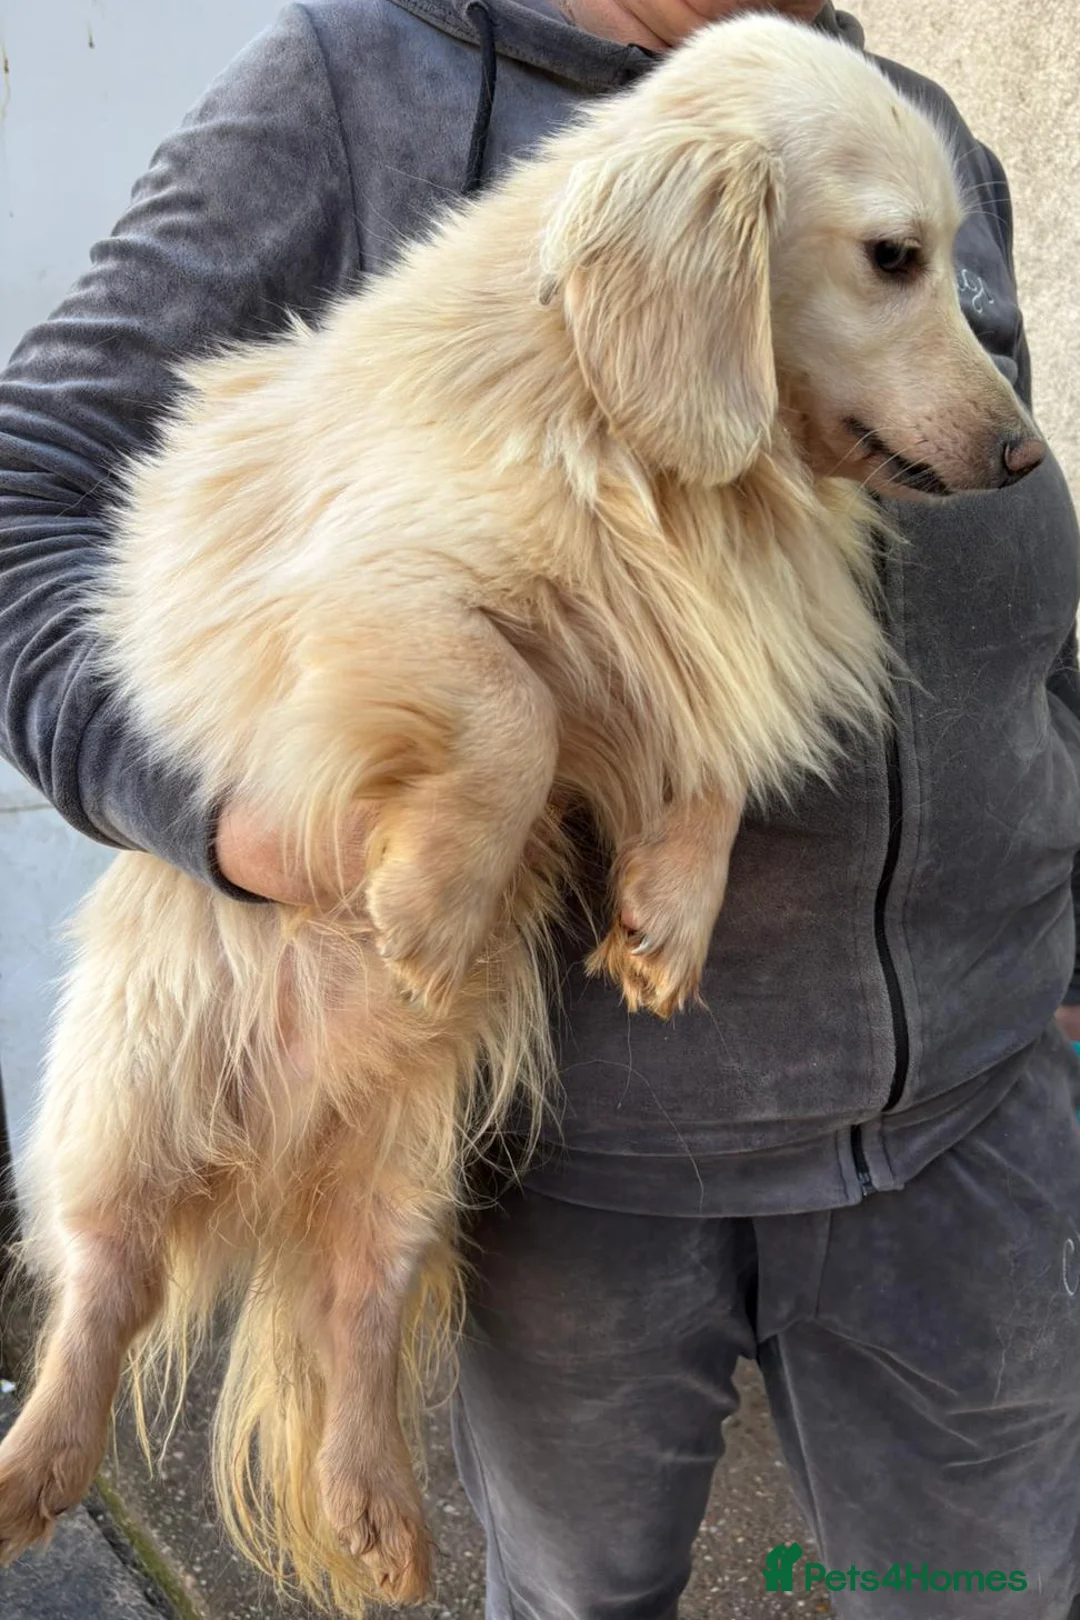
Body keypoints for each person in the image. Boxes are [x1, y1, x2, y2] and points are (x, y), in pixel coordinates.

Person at [2, 1, 1079, 1615]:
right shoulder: (348, 87)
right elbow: (27, 489)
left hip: (974, 1129)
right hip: (597, 1180)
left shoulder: (904, 121)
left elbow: (1002, 593)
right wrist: (218, 819)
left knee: (983, 1597)